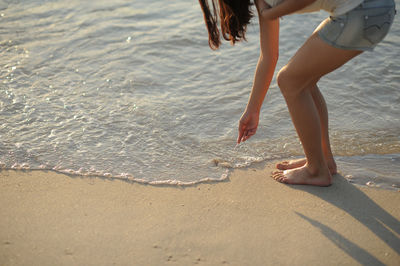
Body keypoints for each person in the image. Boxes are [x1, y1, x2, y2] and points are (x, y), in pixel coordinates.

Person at [198, 0, 396, 186]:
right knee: (303, 80)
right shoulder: (263, 4)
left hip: (363, 11)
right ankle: (323, 161)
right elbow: (269, 56)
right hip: (372, 10)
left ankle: (316, 170)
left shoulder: (268, 7)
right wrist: (253, 110)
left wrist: (274, 12)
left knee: (289, 80)